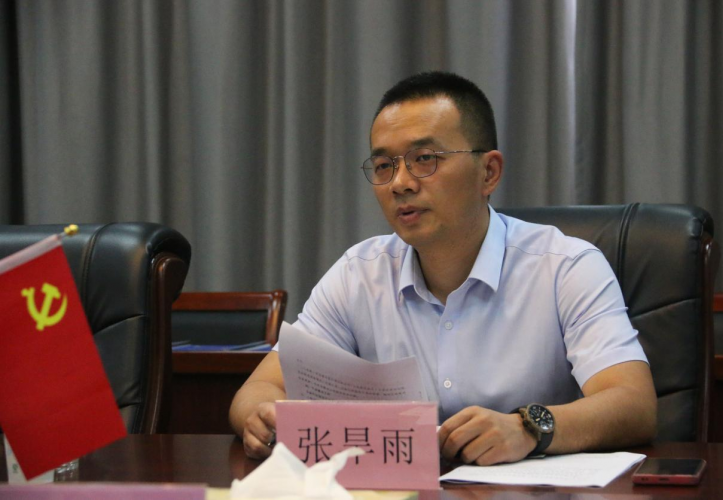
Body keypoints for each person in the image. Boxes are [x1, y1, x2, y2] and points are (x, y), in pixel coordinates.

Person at [229, 71, 657, 465]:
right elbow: (258, 390)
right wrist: (264, 418)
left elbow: (633, 403)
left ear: (489, 172)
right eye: (384, 166)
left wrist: (528, 428)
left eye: (424, 159)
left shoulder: (566, 268)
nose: (400, 183)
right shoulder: (359, 274)